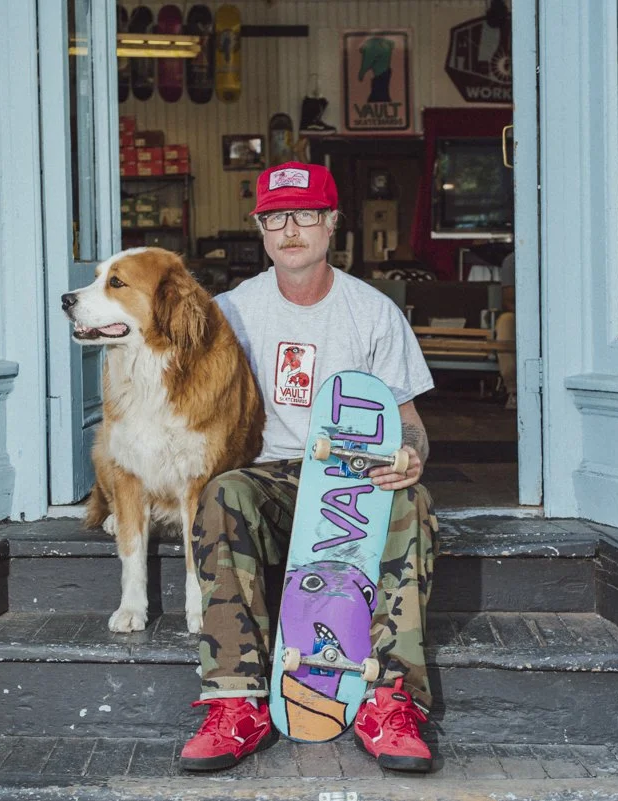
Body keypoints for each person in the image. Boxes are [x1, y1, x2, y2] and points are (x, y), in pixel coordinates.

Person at [180, 162, 439, 773]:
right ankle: (237, 701)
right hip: (270, 477)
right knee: (222, 493)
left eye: (304, 215)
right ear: (262, 230)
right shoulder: (231, 312)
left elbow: (412, 423)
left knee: (414, 502)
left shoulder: (372, 312)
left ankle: (388, 696)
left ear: (330, 225)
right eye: (275, 217)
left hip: (355, 481)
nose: (289, 229)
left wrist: (410, 457)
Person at [496, 252, 517, 410]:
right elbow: (508, 301)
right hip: (524, 315)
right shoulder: (512, 260)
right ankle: (514, 390)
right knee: (506, 321)